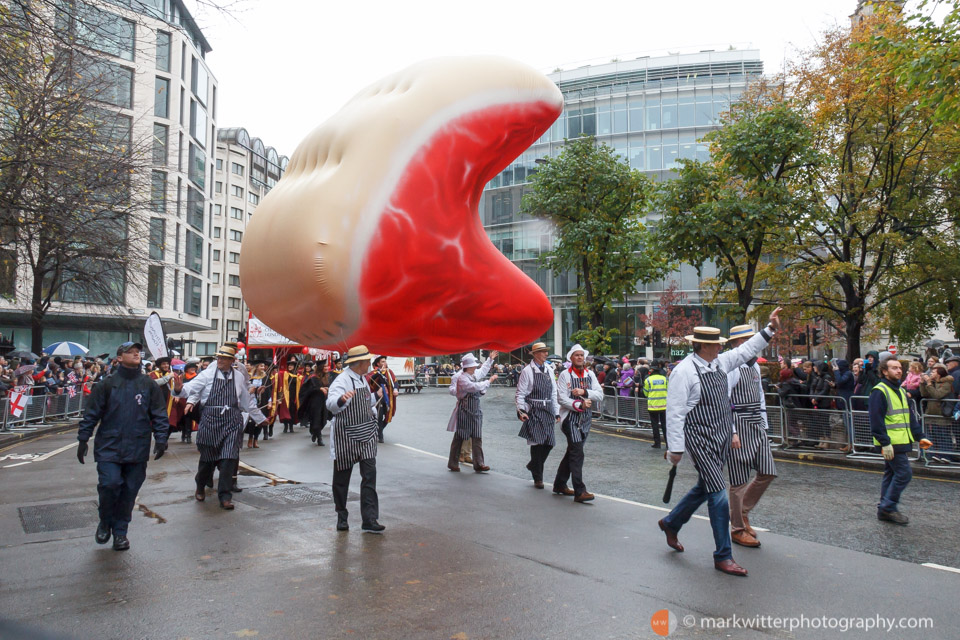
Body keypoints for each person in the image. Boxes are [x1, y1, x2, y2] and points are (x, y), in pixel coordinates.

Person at [657, 307, 780, 578]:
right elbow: (675, 412)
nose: (719, 349)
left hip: (722, 435)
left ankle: (671, 522)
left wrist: (769, 330)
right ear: (702, 346)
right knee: (718, 494)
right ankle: (723, 555)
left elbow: (745, 351)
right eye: (714, 345)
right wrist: (675, 448)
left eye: (719, 345)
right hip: (700, 438)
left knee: (705, 487)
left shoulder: (720, 363)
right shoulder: (684, 371)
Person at [76, 341, 170, 551]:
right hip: (109, 446)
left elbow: (159, 414)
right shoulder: (106, 384)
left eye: (138, 351)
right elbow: (91, 414)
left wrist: (161, 439)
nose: (136, 354)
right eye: (130, 352)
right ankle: (105, 521)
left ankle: (120, 533)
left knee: (129, 491)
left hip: (137, 447)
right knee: (109, 485)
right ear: (119, 358)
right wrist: (83, 439)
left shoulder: (148, 385)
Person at [179, 343, 267, 510]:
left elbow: (246, 401)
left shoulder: (240, 376)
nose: (220, 360)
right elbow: (190, 389)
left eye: (224, 358)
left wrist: (258, 418)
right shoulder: (207, 374)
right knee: (207, 459)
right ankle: (200, 485)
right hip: (210, 420)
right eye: (219, 357)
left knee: (229, 458)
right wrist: (179, 389)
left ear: (232, 360)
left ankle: (225, 496)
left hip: (232, 420)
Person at [723, 325, 777, 549]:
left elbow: (761, 397)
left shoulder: (754, 367)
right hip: (739, 423)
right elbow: (724, 402)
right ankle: (737, 528)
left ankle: (742, 512)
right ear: (738, 344)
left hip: (756, 424)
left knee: (768, 472)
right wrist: (732, 431)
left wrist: (764, 426)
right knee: (738, 480)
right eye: (748, 340)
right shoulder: (731, 368)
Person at [325, 345, 385, 533]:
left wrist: (376, 400)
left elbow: (367, 404)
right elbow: (331, 404)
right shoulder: (342, 380)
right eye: (368, 361)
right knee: (342, 479)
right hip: (346, 436)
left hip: (366, 434)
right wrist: (342, 400)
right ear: (360, 363)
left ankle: (370, 519)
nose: (370, 363)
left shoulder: (362, 379)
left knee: (369, 476)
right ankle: (342, 515)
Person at [870, 355, 931, 524]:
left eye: (899, 368)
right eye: (894, 368)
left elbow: (909, 417)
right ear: (884, 371)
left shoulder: (901, 390)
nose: (899, 371)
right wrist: (885, 442)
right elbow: (876, 419)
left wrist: (920, 437)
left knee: (891, 474)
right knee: (904, 474)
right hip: (891, 442)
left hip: (901, 441)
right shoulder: (879, 390)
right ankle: (888, 508)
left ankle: (885, 506)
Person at [554, 344, 603, 502]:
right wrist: (578, 405)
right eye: (577, 355)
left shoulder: (590, 374)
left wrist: (585, 392)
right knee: (577, 453)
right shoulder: (564, 375)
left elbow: (600, 394)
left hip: (586, 420)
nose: (580, 358)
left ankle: (560, 484)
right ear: (571, 358)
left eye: (582, 355)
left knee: (573, 452)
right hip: (570, 419)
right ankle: (579, 491)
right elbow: (561, 398)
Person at [515, 342, 559, 489]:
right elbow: (520, 393)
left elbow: (554, 392)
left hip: (548, 410)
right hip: (534, 409)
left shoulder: (549, 369)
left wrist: (557, 411)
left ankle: (533, 465)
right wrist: (521, 411)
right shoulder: (527, 371)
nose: (546, 354)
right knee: (536, 443)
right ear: (535, 354)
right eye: (542, 352)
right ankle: (538, 478)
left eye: (546, 351)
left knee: (549, 443)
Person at [446, 352, 498, 473]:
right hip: (465, 410)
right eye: (474, 365)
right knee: (460, 436)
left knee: (477, 436)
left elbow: (482, 372)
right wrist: (489, 381)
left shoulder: (471, 375)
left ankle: (479, 463)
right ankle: (453, 462)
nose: (476, 367)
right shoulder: (461, 377)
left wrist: (490, 360)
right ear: (469, 366)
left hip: (475, 410)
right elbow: (473, 387)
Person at [149, 356, 183, 437]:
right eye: (163, 364)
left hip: (170, 402)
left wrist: (178, 394)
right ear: (158, 365)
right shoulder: (153, 374)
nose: (166, 366)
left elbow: (178, 386)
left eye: (167, 364)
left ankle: (164, 439)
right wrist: (168, 377)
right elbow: (154, 383)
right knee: (158, 423)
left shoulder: (173, 374)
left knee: (171, 422)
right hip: (157, 402)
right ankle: (160, 441)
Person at [367, 356, 399, 443]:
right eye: (382, 361)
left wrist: (395, 389)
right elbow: (369, 380)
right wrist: (378, 373)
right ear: (378, 363)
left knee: (388, 416)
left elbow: (395, 381)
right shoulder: (373, 372)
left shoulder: (389, 372)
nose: (385, 363)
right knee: (379, 416)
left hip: (388, 398)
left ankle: (379, 431)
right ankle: (380, 435)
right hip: (379, 398)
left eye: (385, 361)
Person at [299, 361, 330, 446]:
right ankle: (319, 438)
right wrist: (319, 389)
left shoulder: (326, 377)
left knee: (323, 420)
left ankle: (315, 433)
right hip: (315, 402)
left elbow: (328, 386)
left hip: (324, 401)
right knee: (316, 419)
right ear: (321, 368)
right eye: (325, 367)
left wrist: (327, 388)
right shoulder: (313, 377)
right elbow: (308, 389)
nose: (327, 368)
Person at [270, 359, 303, 434]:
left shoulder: (298, 376)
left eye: (292, 365)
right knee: (285, 411)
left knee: (292, 411)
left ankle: (291, 426)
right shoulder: (284, 374)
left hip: (294, 396)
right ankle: (285, 426)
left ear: (295, 367)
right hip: (285, 396)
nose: (290, 366)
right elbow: (278, 375)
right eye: (289, 365)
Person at [643, 361, 668, 449]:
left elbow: (645, 393)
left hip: (653, 406)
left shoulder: (648, 380)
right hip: (664, 406)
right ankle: (668, 444)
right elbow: (669, 390)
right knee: (665, 425)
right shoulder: (665, 379)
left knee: (655, 425)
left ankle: (657, 443)